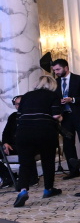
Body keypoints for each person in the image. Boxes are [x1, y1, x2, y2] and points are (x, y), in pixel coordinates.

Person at [12, 76, 64, 207]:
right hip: (45, 131)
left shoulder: (26, 96)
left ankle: (23, 190)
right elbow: (56, 115)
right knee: (48, 161)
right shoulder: (53, 95)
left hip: (23, 132)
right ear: (52, 85)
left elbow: (18, 116)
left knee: (25, 163)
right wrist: (60, 119)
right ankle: (48, 189)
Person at [52, 59, 80, 180]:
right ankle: (73, 171)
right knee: (68, 145)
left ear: (66, 67)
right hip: (65, 117)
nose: (56, 72)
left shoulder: (79, 79)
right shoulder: (56, 82)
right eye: (54, 70)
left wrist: (72, 99)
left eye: (58, 69)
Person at [0, 95, 21, 187]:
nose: (18, 106)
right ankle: (8, 176)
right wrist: (5, 143)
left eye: (20, 104)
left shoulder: (30, 115)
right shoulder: (13, 116)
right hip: (11, 146)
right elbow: (5, 133)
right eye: (16, 104)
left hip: (24, 146)